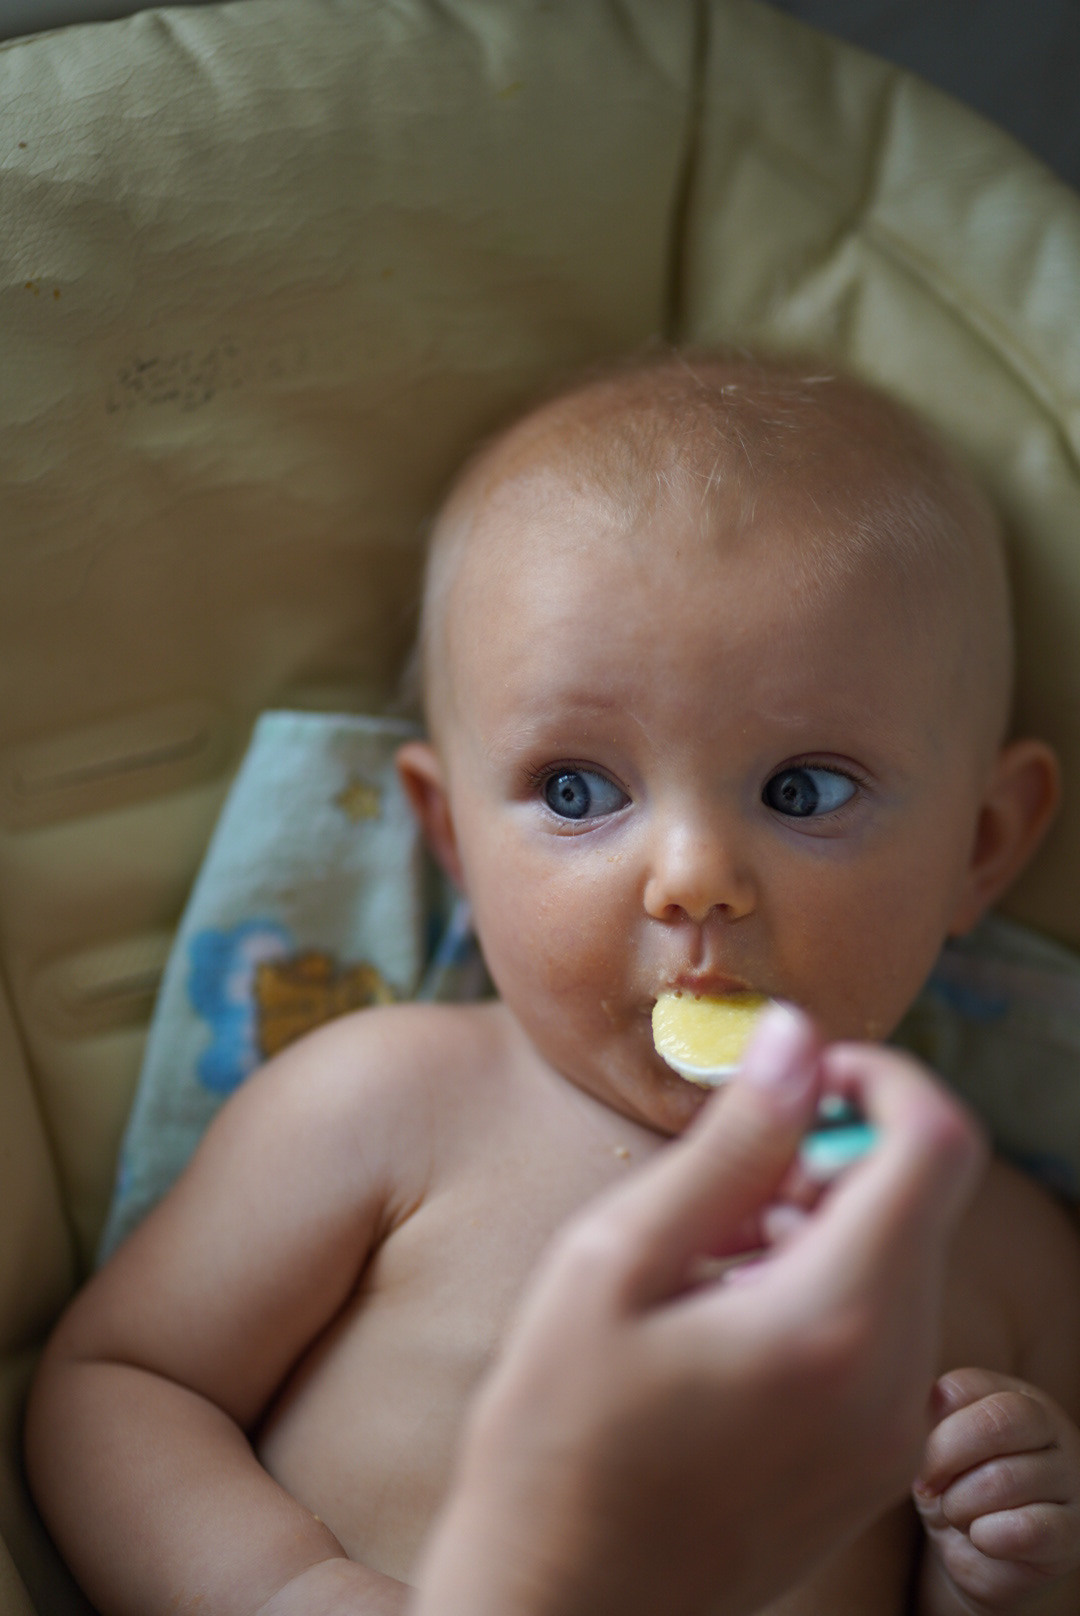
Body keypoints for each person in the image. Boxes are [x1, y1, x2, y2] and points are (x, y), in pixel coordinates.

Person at [25, 353, 1080, 1615]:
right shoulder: (387, 1100)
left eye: (804, 788)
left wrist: (1010, 1566)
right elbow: (123, 1382)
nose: (694, 879)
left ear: (980, 843)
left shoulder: (995, 1243)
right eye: (579, 790)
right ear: (455, 839)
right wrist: (289, 1586)